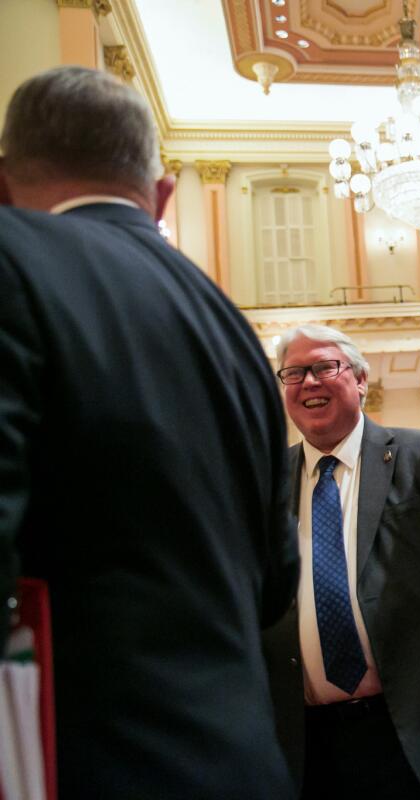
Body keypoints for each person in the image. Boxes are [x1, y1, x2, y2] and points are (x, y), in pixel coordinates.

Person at [0, 66, 298, 798]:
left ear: (5, 182)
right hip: (244, 762)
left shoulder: (13, 259)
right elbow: (274, 584)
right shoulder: (235, 331)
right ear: (160, 194)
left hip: (85, 763)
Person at [261, 324, 420, 799]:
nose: (309, 382)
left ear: (360, 379)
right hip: (304, 737)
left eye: (325, 367)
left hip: (416, 722)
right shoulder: (265, 481)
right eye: (294, 373)